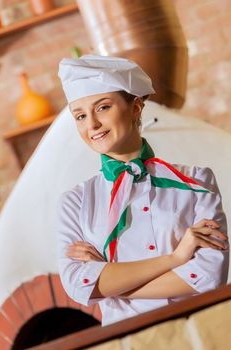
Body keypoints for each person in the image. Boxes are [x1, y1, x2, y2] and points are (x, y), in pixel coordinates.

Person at [57, 54, 229, 326]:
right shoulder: (75, 203)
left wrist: (110, 283)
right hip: (128, 340)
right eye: (80, 115)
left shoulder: (197, 181)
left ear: (136, 107)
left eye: (102, 107)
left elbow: (209, 275)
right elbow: (79, 286)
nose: (92, 125)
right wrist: (176, 258)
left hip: (198, 331)